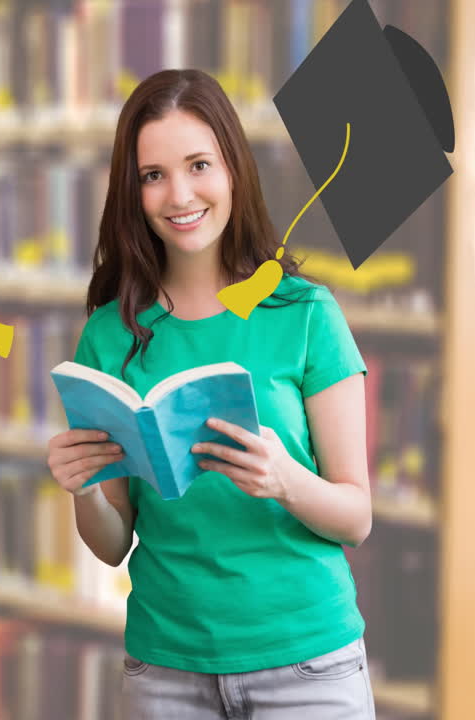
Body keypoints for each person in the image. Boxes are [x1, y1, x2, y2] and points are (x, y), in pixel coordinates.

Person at [46, 68, 375, 719]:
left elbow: (356, 517)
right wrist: (84, 487)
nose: (180, 195)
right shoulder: (109, 335)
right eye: (153, 175)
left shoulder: (304, 313)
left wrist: (284, 479)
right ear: (132, 191)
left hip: (306, 665)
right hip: (166, 670)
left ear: (233, 171)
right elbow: (112, 544)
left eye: (199, 165)